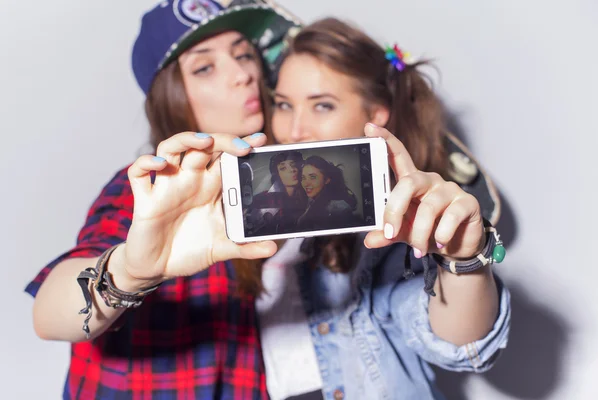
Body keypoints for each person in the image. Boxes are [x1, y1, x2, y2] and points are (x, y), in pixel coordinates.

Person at [25, 1, 302, 398]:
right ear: (172, 95)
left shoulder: (280, 184)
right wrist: (129, 272)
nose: (242, 75)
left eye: (244, 54)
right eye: (204, 67)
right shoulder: (150, 190)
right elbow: (48, 315)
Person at [255, 17, 511, 399]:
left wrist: (462, 260)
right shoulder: (263, 212)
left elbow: (463, 344)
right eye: (283, 105)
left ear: (376, 115)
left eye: (322, 106)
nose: (294, 130)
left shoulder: (387, 230)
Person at [245, 150, 308, 235]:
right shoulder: (262, 200)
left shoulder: (311, 195)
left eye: (294, 165)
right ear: (277, 175)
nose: (292, 170)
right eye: (283, 168)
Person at [296, 155, 360, 231]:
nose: (306, 183)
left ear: (326, 180)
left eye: (312, 177)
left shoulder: (338, 209)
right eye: (303, 178)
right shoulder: (311, 201)